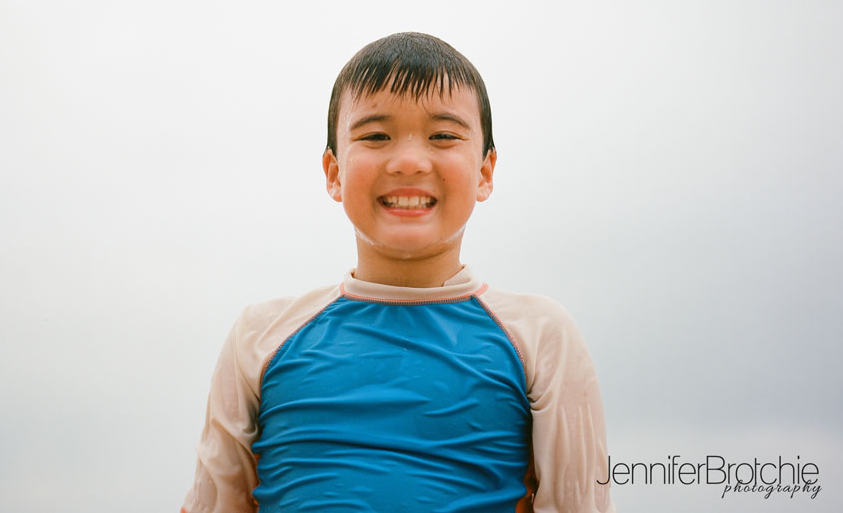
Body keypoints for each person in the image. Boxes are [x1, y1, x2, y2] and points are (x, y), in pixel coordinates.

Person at [181, 32, 615, 513]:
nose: (408, 161)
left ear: (485, 172)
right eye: (375, 136)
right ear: (334, 173)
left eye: (444, 136)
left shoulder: (540, 336)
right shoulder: (258, 338)